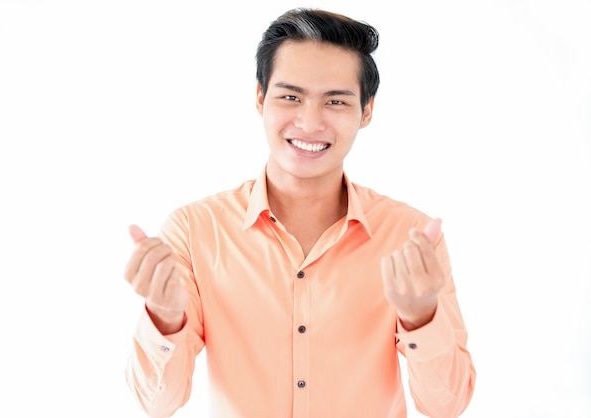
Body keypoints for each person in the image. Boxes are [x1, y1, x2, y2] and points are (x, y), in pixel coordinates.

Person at [124, 7, 476, 418]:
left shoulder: (410, 235)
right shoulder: (194, 230)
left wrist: (421, 316)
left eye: (335, 101)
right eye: (291, 96)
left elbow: (447, 406)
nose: (310, 122)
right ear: (260, 97)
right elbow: (156, 404)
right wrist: (165, 320)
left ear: (366, 111)